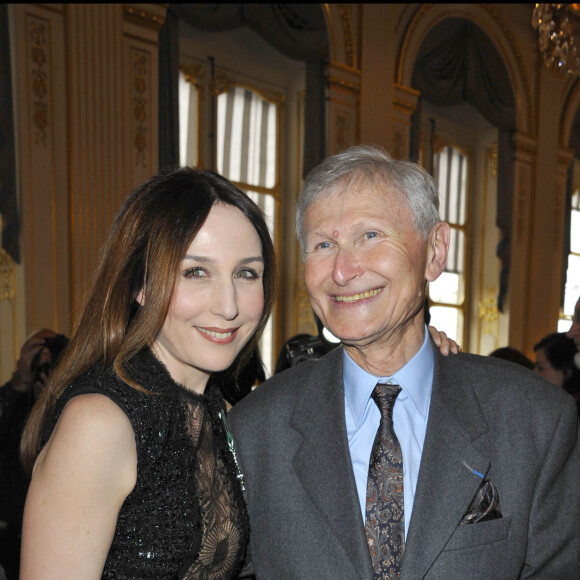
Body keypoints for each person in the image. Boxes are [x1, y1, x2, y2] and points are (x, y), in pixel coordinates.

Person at [228, 145, 580, 579]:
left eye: (370, 236)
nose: (342, 271)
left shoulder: (535, 421)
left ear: (435, 251)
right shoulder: (254, 431)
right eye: (323, 244)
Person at [19, 167, 278, 579]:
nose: (229, 305)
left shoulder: (216, 409)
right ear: (140, 285)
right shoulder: (101, 422)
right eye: (196, 272)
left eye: (246, 273)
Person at [0, 329, 67, 580]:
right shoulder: (13, 403)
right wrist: (21, 380)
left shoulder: (79, 407)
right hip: (11, 533)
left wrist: (57, 395)